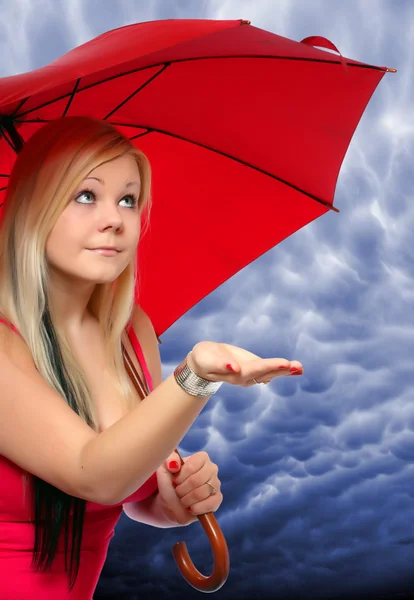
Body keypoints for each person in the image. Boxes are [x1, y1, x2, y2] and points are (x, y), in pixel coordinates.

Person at [0, 116, 303, 599]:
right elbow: (93, 474)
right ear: (33, 206)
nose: (115, 219)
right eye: (85, 195)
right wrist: (195, 376)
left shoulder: (132, 332)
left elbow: (128, 485)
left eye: (128, 199)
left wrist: (168, 501)